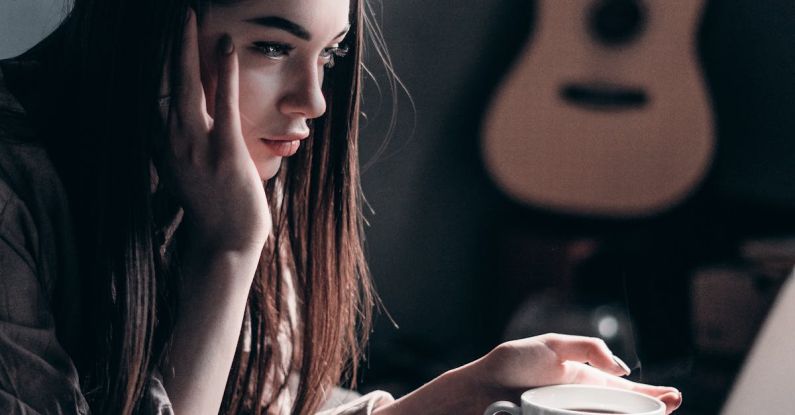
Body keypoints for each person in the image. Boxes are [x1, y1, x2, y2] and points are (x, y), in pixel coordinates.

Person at [0, 0, 684, 414]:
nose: (313, 101)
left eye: (329, 53)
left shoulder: (221, 174)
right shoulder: (14, 197)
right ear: (147, 27)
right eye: (272, 46)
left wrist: (468, 390)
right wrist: (230, 251)